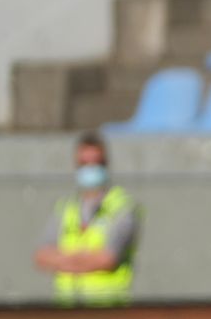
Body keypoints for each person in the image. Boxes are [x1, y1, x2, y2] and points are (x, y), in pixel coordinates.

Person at [33, 131, 141, 307]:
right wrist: (84, 260)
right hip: (67, 308)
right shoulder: (66, 208)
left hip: (108, 309)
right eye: (84, 164)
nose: (90, 169)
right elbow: (42, 256)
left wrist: (64, 261)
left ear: (105, 165)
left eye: (96, 163)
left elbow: (108, 259)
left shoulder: (121, 207)